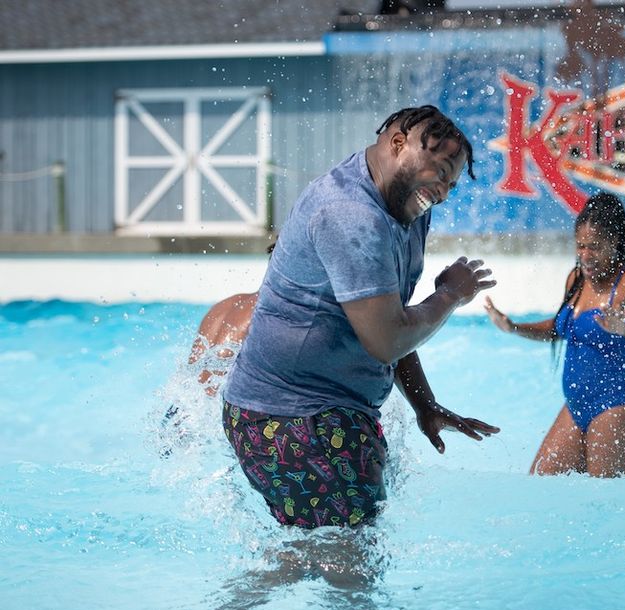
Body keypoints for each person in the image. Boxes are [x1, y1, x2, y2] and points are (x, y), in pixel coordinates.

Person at [221, 105, 498, 529]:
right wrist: (450, 295)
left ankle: (244, 598)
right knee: (349, 560)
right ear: (398, 143)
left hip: (325, 413)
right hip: (291, 417)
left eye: (452, 183)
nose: (443, 191)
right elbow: (386, 339)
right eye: (440, 171)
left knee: (333, 554)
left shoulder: (406, 209)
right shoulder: (350, 214)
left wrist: (425, 405)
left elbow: (389, 314)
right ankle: (234, 599)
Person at [484, 192, 625, 477]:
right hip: (576, 406)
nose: (585, 256)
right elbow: (558, 330)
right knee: (540, 485)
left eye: (595, 247)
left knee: (606, 501)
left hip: (617, 404)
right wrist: (513, 328)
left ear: (615, 242)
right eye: (581, 246)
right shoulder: (576, 280)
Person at [187, 243, 275, 396]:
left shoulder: (223, 306)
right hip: (222, 411)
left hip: (181, 411)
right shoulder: (270, 313)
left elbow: (193, 383)